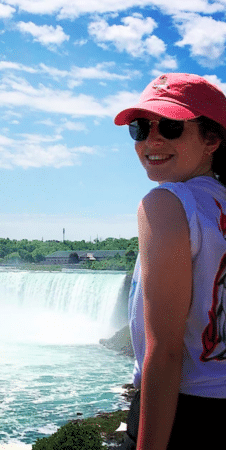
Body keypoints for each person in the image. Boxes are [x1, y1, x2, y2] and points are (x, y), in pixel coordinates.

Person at [114, 73, 226, 450]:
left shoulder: (166, 204)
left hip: (182, 413)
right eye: (140, 128)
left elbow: (165, 350)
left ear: (212, 139)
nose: (152, 140)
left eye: (172, 126)